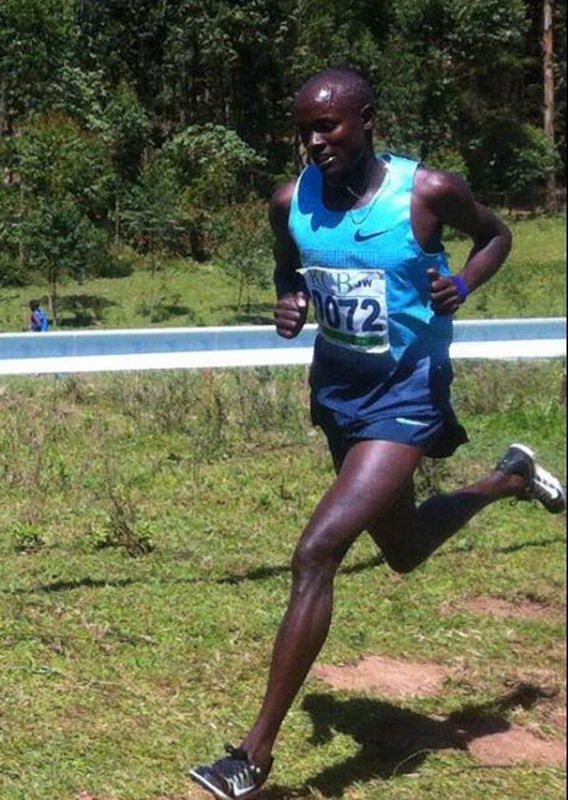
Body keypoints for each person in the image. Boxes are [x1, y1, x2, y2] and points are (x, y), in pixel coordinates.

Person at [188, 67, 565, 800]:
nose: (314, 139)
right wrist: (289, 297)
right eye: (303, 128)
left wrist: (464, 284)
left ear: (366, 121)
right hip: (340, 395)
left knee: (318, 550)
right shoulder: (290, 201)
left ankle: (251, 757)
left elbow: (495, 235)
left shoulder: (425, 193)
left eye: (328, 125)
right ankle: (510, 477)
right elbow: (287, 266)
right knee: (405, 550)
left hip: (407, 396)